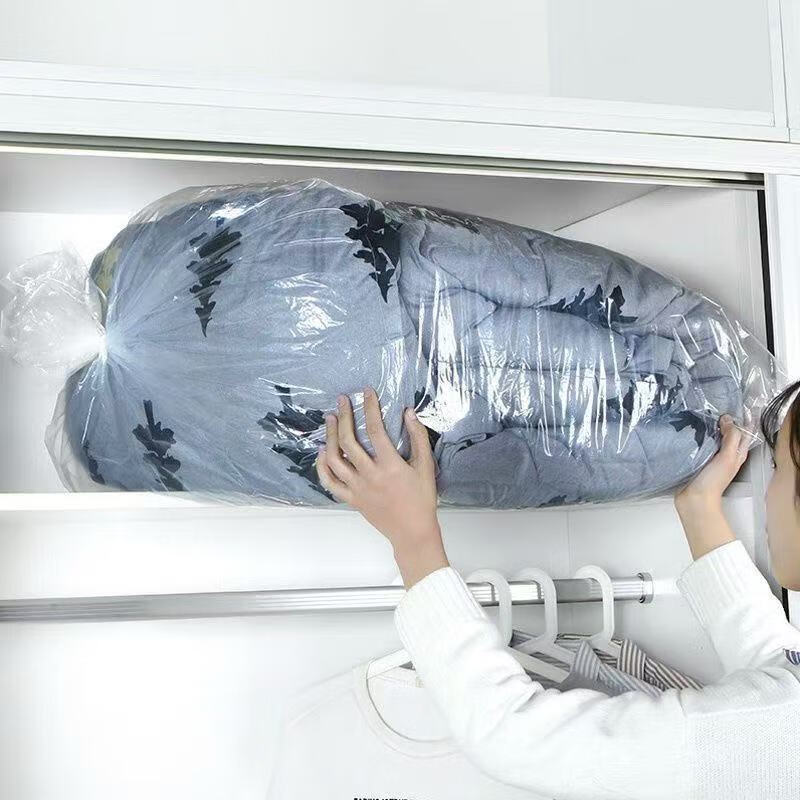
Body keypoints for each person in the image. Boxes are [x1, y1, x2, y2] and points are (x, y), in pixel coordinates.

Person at [316, 385, 800, 800]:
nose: (767, 491)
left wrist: (414, 539)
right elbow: (775, 666)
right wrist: (700, 507)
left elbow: (513, 735)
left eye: (779, 468)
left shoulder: (774, 735)